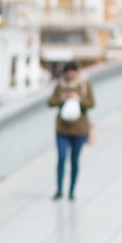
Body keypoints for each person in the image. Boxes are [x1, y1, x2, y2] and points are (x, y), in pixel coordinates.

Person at [47, 61, 95, 200]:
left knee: (74, 160)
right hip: (62, 129)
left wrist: (78, 99)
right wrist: (62, 99)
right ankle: (59, 189)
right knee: (61, 158)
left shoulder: (84, 85)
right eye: (67, 72)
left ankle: (72, 190)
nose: (70, 75)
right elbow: (50, 102)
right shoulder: (60, 86)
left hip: (79, 129)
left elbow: (91, 103)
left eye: (72, 72)